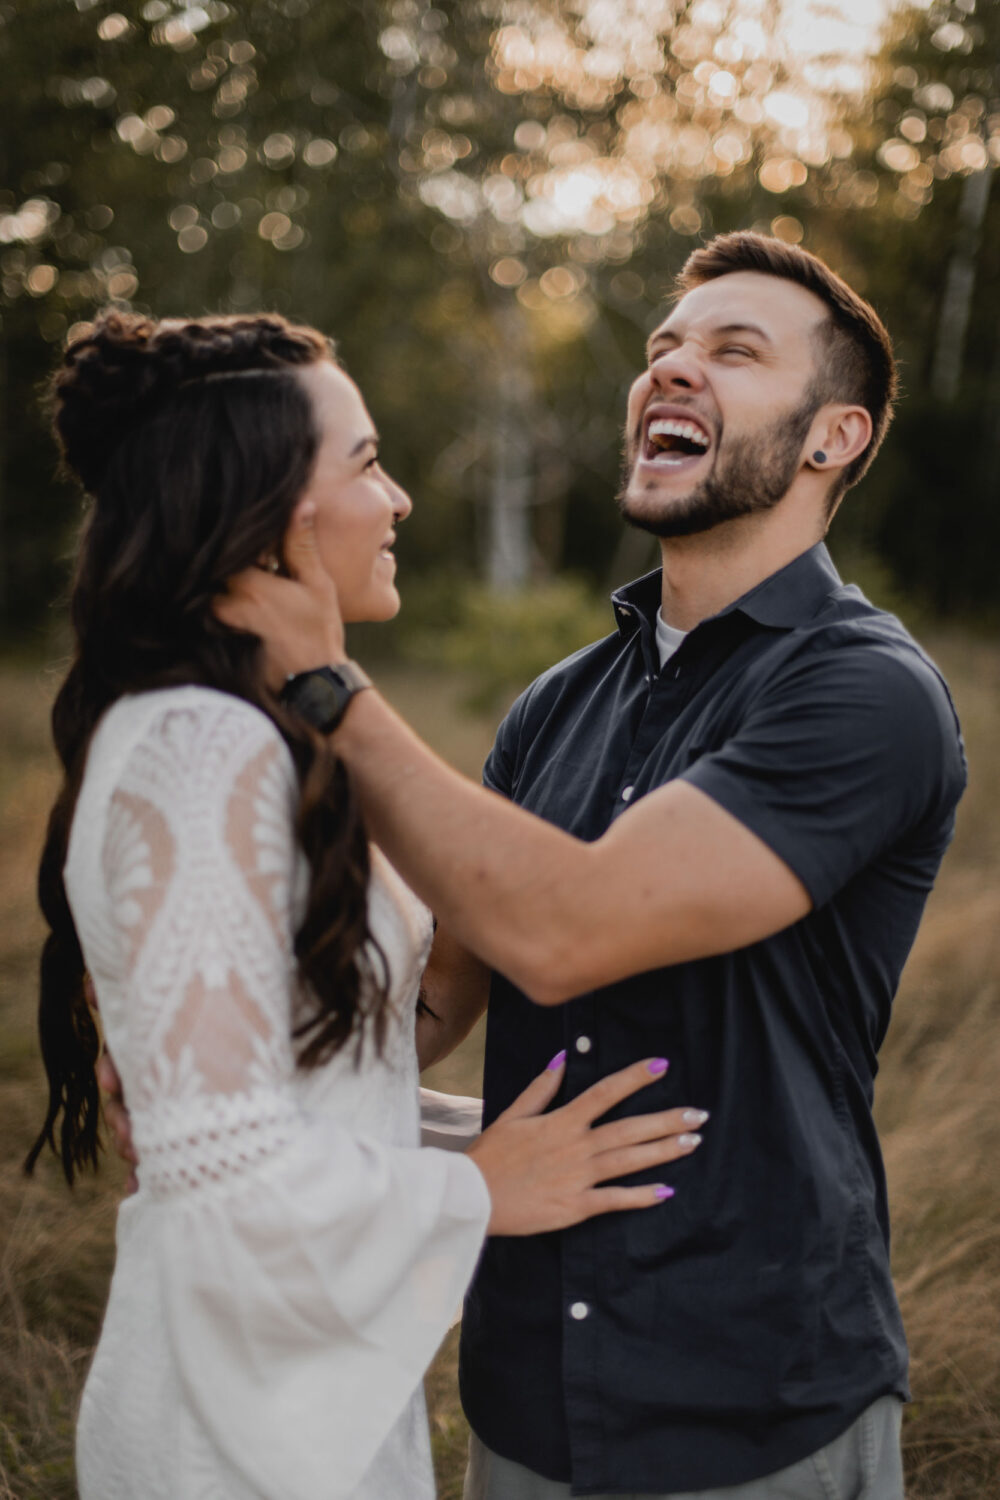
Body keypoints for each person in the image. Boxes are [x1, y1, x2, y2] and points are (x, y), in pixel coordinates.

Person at [214, 233, 967, 1500]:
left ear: (833, 438)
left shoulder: (864, 692)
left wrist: (327, 689)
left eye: (733, 352)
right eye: (665, 347)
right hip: (526, 1392)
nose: (671, 370)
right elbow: (444, 995)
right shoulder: (557, 701)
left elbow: (570, 927)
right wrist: (230, 1062)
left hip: (753, 1400)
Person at [25, 309, 709, 1500]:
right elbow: (219, 1177)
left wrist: (469, 1134)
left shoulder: (258, 735)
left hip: (294, 1406)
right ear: (278, 517)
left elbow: (287, 1088)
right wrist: (486, 1187)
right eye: (366, 465)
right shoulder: (201, 749)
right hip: (230, 1440)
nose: (396, 501)